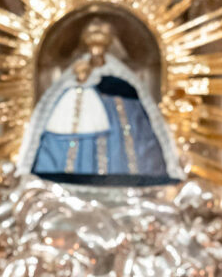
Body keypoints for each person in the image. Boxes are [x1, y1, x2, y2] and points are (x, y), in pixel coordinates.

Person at [17, 19, 182, 187]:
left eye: (102, 33)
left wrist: (105, 84)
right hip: (76, 127)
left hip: (120, 131)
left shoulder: (120, 72)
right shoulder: (74, 72)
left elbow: (136, 93)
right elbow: (57, 93)